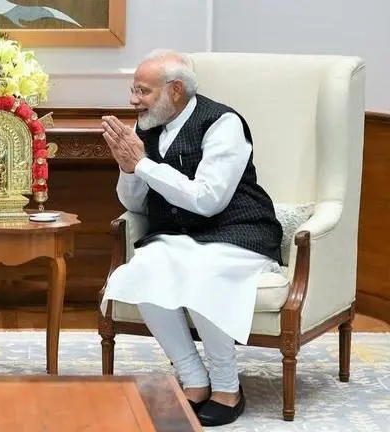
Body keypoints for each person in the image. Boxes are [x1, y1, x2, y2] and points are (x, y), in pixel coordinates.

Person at [99, 49, 283, 427]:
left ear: (176, 90)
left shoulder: (222, 123)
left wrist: (144, 164)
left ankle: (228, 387)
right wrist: (128, 169)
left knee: (203, 274)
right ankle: (194, 379)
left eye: (142, 90)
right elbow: (134, 201)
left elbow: (208, 200)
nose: (134, 99)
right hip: (180, 236)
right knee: (142, 270)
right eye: (133, 89)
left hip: (239, 232)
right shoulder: (144, 125)